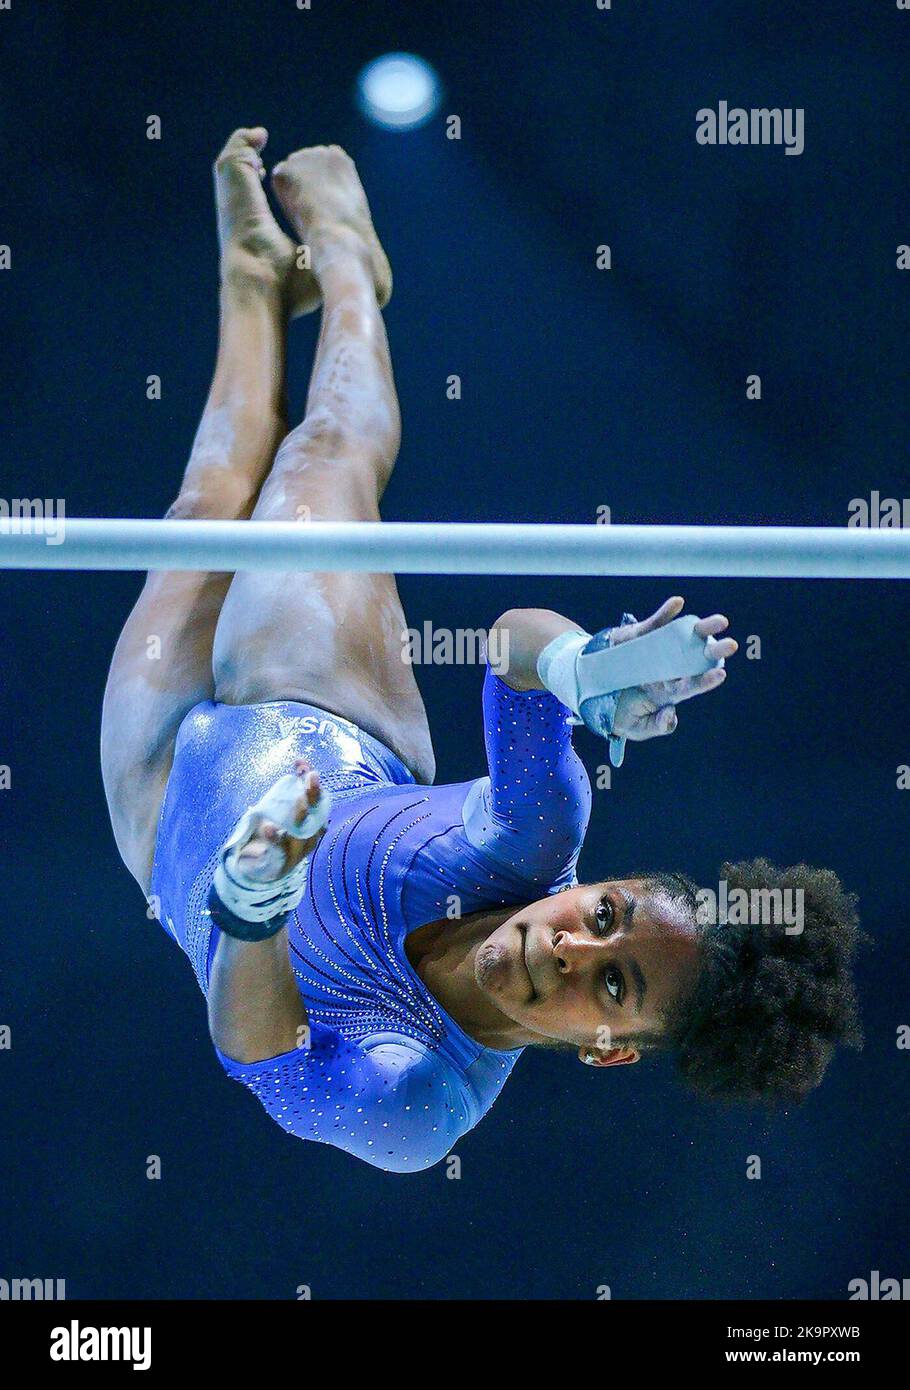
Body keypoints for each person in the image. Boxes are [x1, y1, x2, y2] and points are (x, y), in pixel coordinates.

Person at [101, 131, 863, 1173]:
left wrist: (254, 899)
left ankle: (248, 287)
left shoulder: (424, 1099)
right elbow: (508, 650)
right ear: (606, 883)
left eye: (611, 983)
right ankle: (349, 274)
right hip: (325, 713)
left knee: (200, 508)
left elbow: (259, 1050)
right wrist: (585, 672)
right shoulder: (532, 835)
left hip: (163, 824)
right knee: (317, 460)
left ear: (608, 1051)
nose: (568, 945)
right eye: (605, 916)